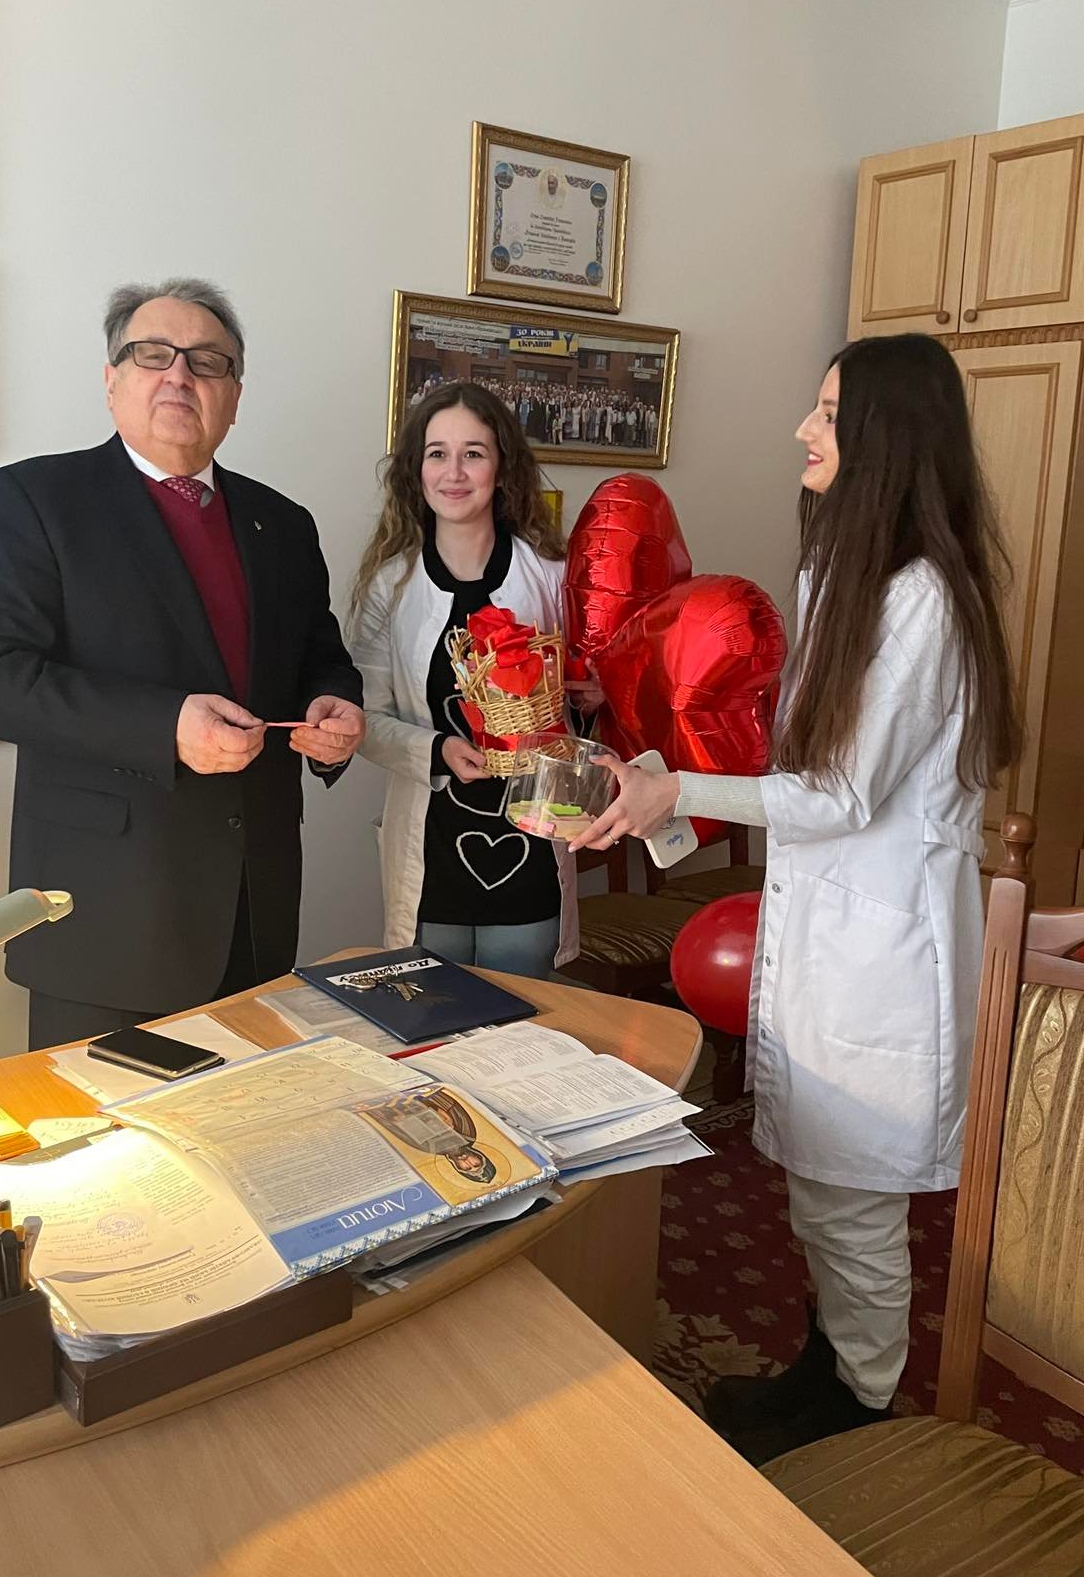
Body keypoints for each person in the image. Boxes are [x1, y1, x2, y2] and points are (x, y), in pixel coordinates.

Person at [570, 333, 1021, 1462]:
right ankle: (827, 1363)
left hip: (882, 951)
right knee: (820, 1187)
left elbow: (839, 790)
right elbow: (796, 765)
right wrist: (664, 786)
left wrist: (679, 788)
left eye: (826, 413)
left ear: (884, 437)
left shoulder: (921, 603)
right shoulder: (843, 582)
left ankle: (862, 1404)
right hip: (828, 929)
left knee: (856, 1198)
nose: (803, 431)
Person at [0, 278, 365, 1049]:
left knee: (253, 1117)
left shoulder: (282, 522)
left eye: (207, 361)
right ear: (112, 380)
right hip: (108, 914)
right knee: (98, 1127)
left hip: (254, 906)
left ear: (234, 396)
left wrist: (335, 707)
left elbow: (320, 654)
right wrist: (166, 726)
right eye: (153, 355)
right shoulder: (35, 498)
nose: (180, 374)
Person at [350, 381, 579, 979]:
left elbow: (584, 698)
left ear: (502, 468)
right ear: (416, 470)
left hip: (530, 838)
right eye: (438, 454)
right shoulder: (390, 585)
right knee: (432, 1012)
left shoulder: (552, 577)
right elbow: (363, 717)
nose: (454, 472)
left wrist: (593, 695)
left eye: (473, 453)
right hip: (432, 847)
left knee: (521, 1014)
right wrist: (436, 750)